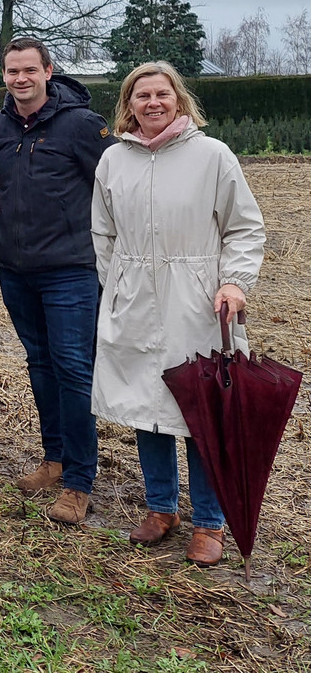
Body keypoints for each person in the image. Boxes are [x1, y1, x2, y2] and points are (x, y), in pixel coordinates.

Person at [92, 60, 264, 566]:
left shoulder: (212, 156)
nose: (153, 103)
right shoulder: (113, 161)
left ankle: (209, 522)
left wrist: (233, 280)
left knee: (201, 406)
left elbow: (244, 227)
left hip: (196, 299)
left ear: (179, 99)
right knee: (147, 403)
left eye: (162, 94)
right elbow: (102, 232)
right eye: (141, 95)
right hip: (136, 299)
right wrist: (119, 282)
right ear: (128, 104)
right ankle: (161, 507)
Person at [0, 37, 116, 522]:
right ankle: (54, 459)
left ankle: (80, 481)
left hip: (71, 269)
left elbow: (112, 189)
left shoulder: (82, 125)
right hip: (16, 268)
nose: (20, 79)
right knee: (39, 364)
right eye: (11, 71)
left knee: (72, 369)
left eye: (28, 70)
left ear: (48, 70)